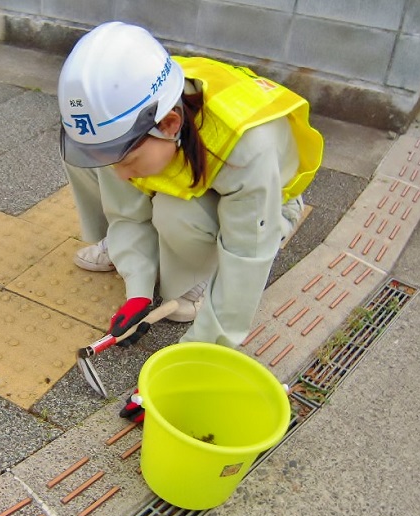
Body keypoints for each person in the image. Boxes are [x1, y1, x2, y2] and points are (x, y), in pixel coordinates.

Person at [57, 22, 324, 421]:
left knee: (174, 216)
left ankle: (199, 281)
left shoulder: (247, 145)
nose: (119, 175)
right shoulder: (130, 106)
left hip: (267, 199)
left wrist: (181, 376)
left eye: (128, 161)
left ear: (169, 124)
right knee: (96, 162)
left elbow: (244, 264)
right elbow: (127, 212)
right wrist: (139, 290)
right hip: (189, 164)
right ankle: (130, 252)